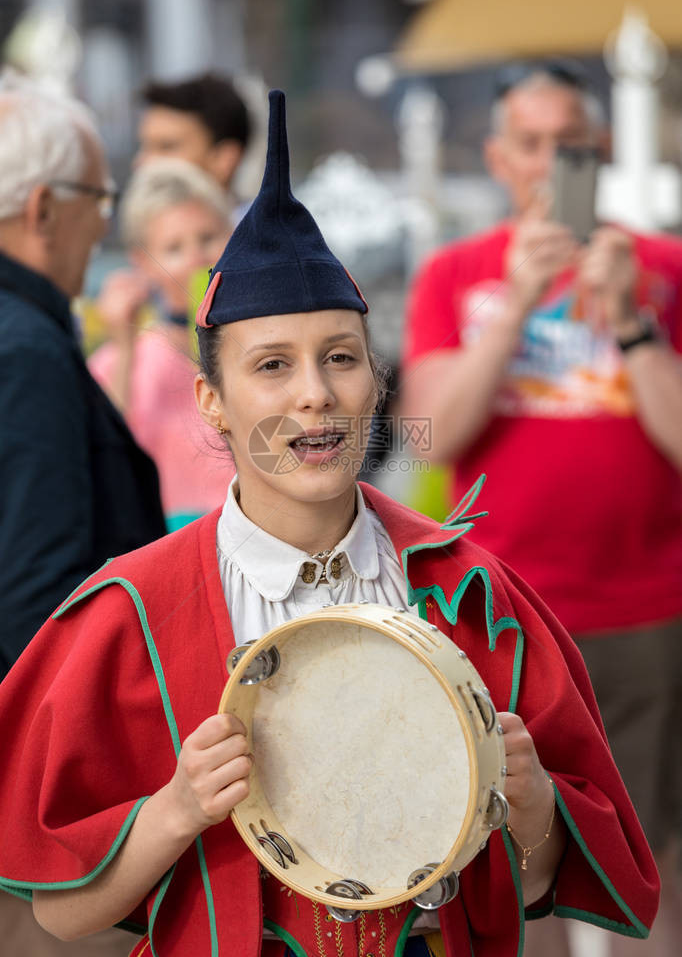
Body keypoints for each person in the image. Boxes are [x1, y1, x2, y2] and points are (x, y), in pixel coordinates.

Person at [0, 91, 658, 957]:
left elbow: (537, 884)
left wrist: (530, 801)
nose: (315, 391)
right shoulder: (133, 612)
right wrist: (175, 810)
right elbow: (60, 913)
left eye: (340, 358)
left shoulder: (471, 594)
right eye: (271, 365)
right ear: (215, 402)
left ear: (376, 383)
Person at [402, 63, 682, 956]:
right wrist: (516, 302)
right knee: (513, 861)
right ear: (495, 156)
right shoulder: (455, 272)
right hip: (503, 615)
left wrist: (634, 321)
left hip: (649, 610)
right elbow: (421, 436)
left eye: (569, 146)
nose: (548, 162)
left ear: (597, 154)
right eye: (530, 143)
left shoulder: (663, 267)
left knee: (651, 861)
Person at [0, 79, 167, 951]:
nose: (106, 222)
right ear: (41, 208)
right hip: (43, 819)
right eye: (99, 199)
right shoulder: (23, 347)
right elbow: (40, 603)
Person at [89, 159, 236, 529]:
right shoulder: (120, 359)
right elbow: (103, 460)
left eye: (208, 238)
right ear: (143, 262)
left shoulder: (261, 346)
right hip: (162, 540)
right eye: (174, 248)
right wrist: (122, 347)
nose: (197, 258)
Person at [135, 72, 251, 200]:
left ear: (225, 159)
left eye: (166, 147)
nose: (142, 163)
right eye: (144, 146)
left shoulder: (266, 219)